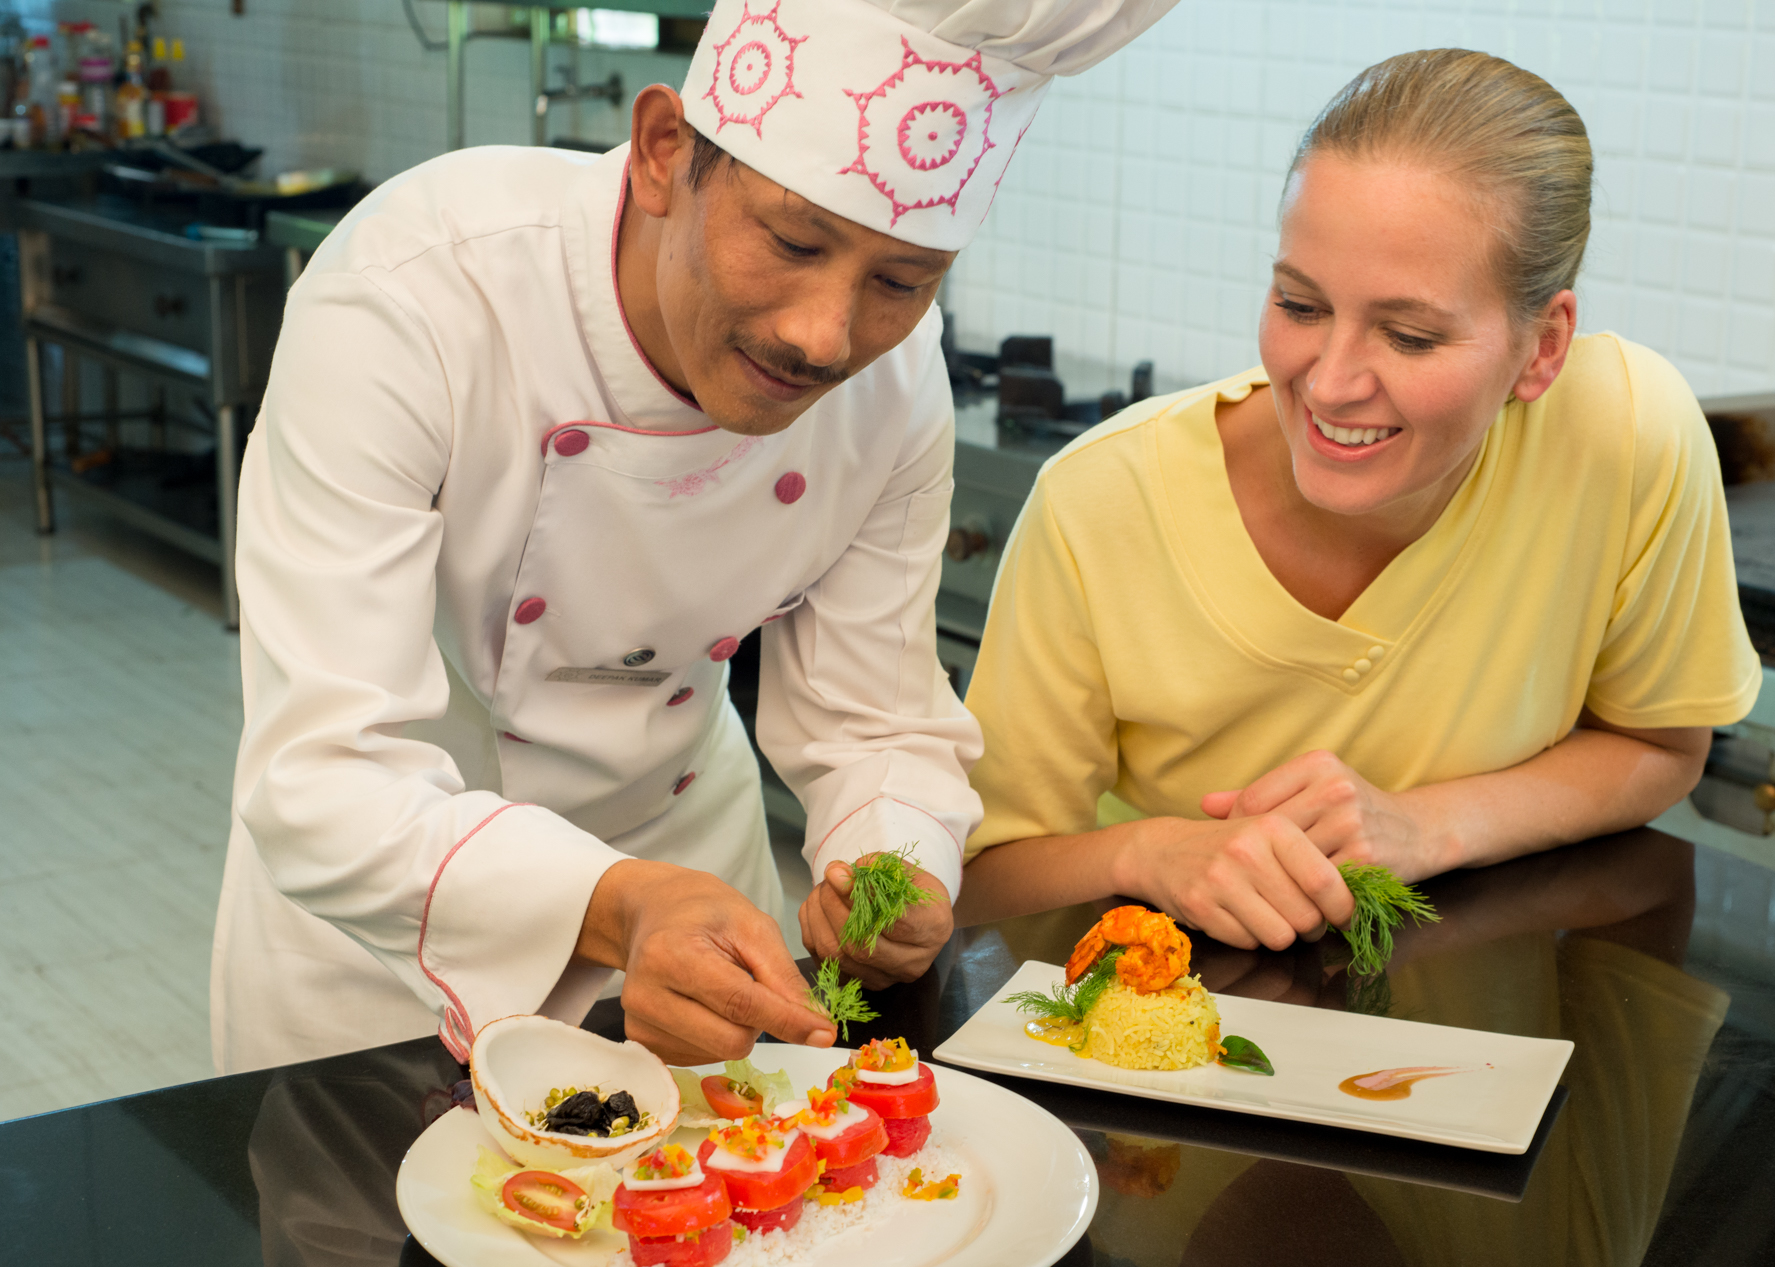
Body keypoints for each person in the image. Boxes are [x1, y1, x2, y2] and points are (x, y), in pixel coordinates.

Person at [212, 0, 1178, 1073]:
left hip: (692, 876)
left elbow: (878, 718)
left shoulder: (896, 388)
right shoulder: (415, 292)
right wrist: (617, 904)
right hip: (385, 908)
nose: (825, 333)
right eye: (792, 241)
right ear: (664, 151)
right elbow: (323, 772)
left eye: (900, 282)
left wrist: (893, 866)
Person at [957, 50, 1761, 943]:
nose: (1331, 384)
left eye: (1409, 336)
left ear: (1542, 348)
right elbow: (979, 885)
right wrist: (1150, 853)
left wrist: (1425, 825)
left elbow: (1662, 747)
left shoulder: (1628, 434)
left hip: (1481, 1038)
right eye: (1299, 305)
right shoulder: (1100, 500)